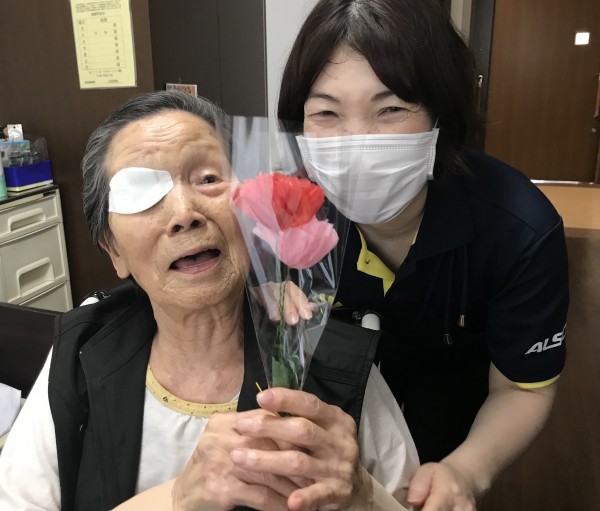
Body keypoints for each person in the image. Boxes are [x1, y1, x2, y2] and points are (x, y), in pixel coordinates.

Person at [0, 91, 419, 511]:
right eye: (142, 193)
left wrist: (362, 494)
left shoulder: (333, 362)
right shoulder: (81, 354)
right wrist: (176, 500)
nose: (185, 213)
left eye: (208, 179)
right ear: (114, 250)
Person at [277, 1, 569, 510]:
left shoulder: (519, 230)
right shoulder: (292, 213)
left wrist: (466, 472)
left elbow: (523, 388)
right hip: (336, 440)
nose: (357, 142)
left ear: (440, 116)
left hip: (457, 428)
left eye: (390, 109)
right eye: (326, 113)